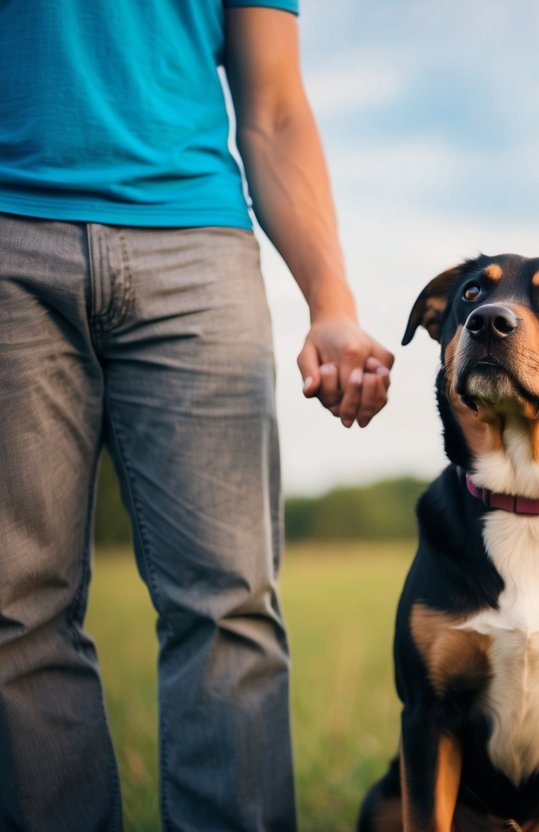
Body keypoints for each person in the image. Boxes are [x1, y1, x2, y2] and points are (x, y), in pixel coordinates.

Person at [0, 2, 393, 828]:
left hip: (195, 248)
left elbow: (275, 105)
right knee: (13, 612)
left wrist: (331, 299)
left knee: (229, 605)